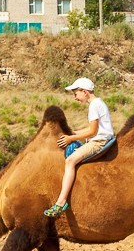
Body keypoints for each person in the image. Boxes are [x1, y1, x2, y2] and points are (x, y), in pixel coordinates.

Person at [45, 77, 114, 217]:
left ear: (84, 92)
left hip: (98, 142)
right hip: (99, 139)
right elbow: (92, 128)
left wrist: (70, 138)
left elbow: (93, 132)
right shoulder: (98, 103)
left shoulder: (94, 105)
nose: (75, 98)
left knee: (70, 161)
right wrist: (74, 133)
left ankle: (60, 202)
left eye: (76, 94)